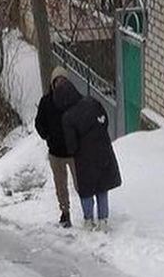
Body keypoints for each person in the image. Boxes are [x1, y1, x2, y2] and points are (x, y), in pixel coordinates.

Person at [55, 76, 122, 230]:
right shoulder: (92, 102)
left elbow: (71, 145)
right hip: (103, 151)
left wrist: (76, 149)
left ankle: (88, 220)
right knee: (102, 187)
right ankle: (103, 220)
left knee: (86, 190)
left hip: (84, 158)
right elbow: (104, 121)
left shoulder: (68, 117)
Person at [35, 66, 78, 228]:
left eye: (63, 80)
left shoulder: (74, 100)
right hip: (55, 152)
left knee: (80, 183)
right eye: (57, 80)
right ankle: (65, 212)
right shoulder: (46, 102)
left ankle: (88, 210)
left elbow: (81, 120)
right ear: (53, 83)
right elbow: (39, 123)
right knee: (60, 185)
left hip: (73, 151)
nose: (60, 83)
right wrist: (47, 136)